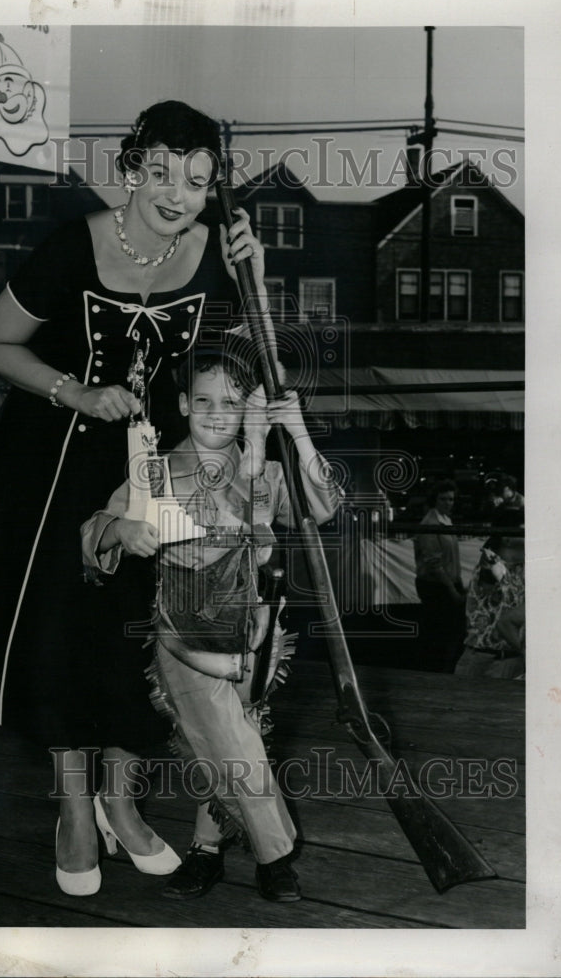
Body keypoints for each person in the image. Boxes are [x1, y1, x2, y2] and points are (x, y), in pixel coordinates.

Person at [0, 100, 276, 896]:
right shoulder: (73, 246)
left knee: (142, 638)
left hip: (159, 473)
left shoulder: (221, 253)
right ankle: (73, 811)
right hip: (57, 468)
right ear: (130, 169)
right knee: (63, 637)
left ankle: (122, 803)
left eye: (198, 180)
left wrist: (254, 280)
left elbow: (245, 366)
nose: (177, 194)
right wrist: (75, 392)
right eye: (160, 173)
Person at [81, 349, 341, 902]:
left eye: (231, 403)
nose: (217, 414)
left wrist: (295, 432)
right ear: (182, 405)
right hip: (183, 628)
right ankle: (275, 854)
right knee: (229, 738)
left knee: (225, 737)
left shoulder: (265, 467)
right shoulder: (153, 469)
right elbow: (94, 529)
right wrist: (121, 533)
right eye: (204, 401)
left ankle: (207, 851)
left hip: (256, 627)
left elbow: (323, 506)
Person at [455, 508, 525, 679]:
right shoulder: (490, 565)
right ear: (507, 539)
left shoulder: (521, 568)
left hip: (513, 661)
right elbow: (489, 568)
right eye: (524, 532)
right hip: (485, 662)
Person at [413, 480, 466, 672]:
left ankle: (443, 669)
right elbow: (434, 563)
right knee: (440, 633)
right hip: (435, 586)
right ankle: (437, 671)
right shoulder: (431, 523)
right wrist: (453, 590)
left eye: (451, 499)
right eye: (443, 499)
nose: (448, 503)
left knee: (448, 632)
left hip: (447, 582)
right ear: (435, 500)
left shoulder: (445, 520)